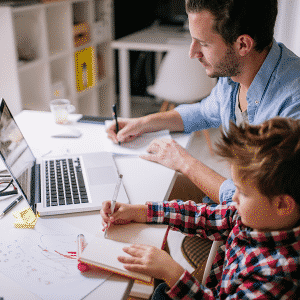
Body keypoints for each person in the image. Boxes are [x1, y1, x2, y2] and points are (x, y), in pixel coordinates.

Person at [107, 0, 300, 204]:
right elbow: (204, 112)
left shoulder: (292, 107)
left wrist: (184, 162)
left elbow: (256, 204)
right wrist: (145, 123)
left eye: (204, 43)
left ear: (243, 44)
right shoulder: (236, 71)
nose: (193, 53)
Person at [101, 117, 300, 299]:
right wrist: (139, 212)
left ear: (282, 205)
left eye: (243, 192)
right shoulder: (257, 216)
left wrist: (173, 273)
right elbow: (202, 216)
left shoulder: (280, 275)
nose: (234, 197)